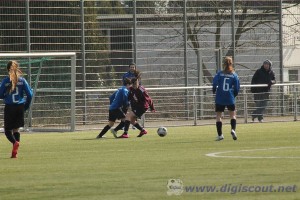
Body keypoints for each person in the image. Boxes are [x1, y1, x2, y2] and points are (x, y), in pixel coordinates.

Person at [0, 60, 33, 158]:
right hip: (20, 107)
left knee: (7, 131)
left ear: (7, 70)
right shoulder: (22, 80)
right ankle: (15, 152)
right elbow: (30, 95)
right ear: (17, 68)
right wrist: (26, 106)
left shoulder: (6, 81)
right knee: (16, 130)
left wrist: (5, 94)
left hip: (10, 107)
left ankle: (15, 143)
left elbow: (0, 95)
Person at [212, 56, 240, 141]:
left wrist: (214, 90)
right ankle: (233, 130)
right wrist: (234, 95)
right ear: (232, 63)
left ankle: (220, 135)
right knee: (233, 115)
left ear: (223, 64)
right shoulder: (234, 75)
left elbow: (214, 83)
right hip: (230, 97)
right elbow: (237, 87)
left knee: (218, 116)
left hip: (220, 97)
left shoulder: (219, 74)